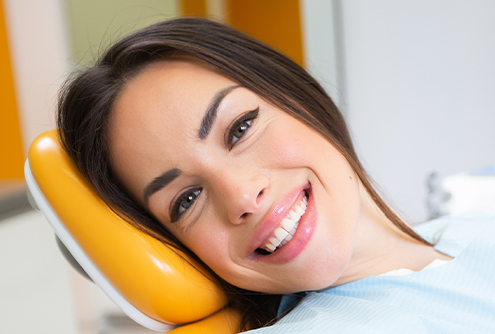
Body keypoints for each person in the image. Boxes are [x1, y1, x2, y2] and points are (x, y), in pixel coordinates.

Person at [57, 17, 495, 333]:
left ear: (295, 95)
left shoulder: (468, 226)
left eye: (240, 129)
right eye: (186, 200)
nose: (243, 196)